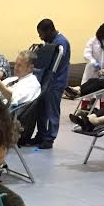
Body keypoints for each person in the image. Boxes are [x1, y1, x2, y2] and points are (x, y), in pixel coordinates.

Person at [32, 19, 71, 149]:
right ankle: (41, 135)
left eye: (41, 34)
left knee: (52, 111)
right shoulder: (50, 42)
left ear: (49, 30)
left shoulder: (61, 43)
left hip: (56, 82)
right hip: (46, 81)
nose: (40, 37)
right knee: (41, 109)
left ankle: (49, 138)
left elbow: (53, 63)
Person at [78, 22, 104, 108]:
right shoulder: (93, 40)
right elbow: (86, 54)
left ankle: (102, 110)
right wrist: (93, 62)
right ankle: (84, 110)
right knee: (87, 92)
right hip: (92, 70)